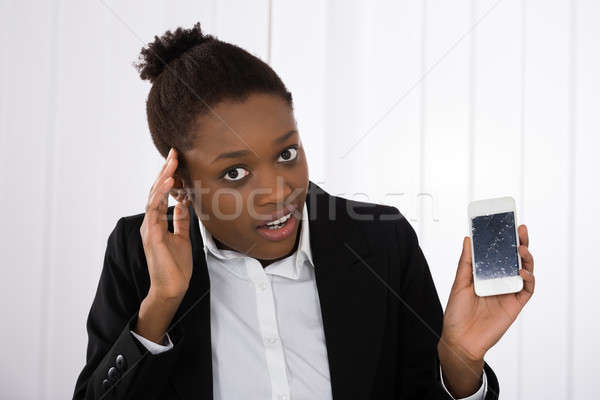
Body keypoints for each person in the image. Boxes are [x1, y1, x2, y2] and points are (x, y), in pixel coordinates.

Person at [73, 22, 535, 400]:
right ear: (182, 185)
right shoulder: (139, 253)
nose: (277, 191)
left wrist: (458, 360)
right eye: (234, 172)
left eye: (287, 154)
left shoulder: (382, 241)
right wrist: (160, 307)